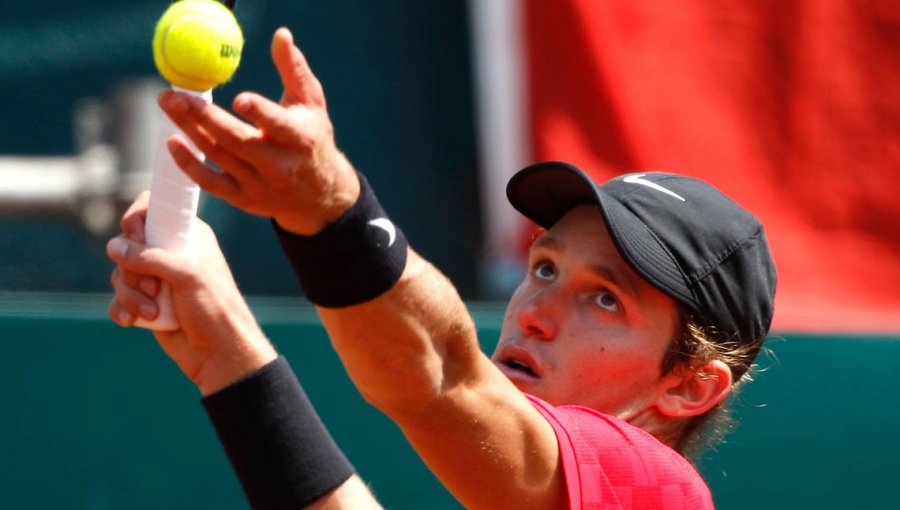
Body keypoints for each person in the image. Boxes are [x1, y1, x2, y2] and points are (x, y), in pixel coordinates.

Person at [107, 27, 776, 510]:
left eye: (605, 300)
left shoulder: (656, 493)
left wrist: (334, 211)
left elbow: (443, 380)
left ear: (688, 388)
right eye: (544, 269)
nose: (534, 314)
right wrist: (224, 349)